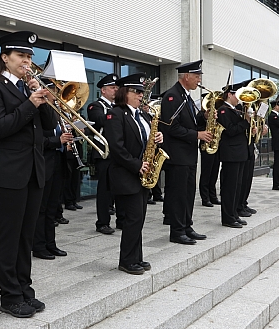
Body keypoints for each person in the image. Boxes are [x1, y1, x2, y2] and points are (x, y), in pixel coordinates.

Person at [0, 31, 57, 318]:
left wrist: (44, 98)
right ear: (5, 58)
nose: (27, 61)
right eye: (21, 56)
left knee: (26, 237)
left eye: (29, 57)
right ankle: (9, 295)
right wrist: (30, 103)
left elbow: (48, 126)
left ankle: (25, 288)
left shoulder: (29, 88)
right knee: (8, 237)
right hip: (7, 174)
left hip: (33, 172)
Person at [104, 73, 163, 274]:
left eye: (141, 92)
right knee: (132, 218)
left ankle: (137, 257)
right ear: (124, 92)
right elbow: (117, 148)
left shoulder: (143, 115)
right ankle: (127, 260)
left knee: (139, 218)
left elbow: (146, 141)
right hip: (127, 173)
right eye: (137, 91)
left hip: (142, 173)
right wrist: (137, 165)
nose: (141, 95)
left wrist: (157, 138)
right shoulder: (115, 113)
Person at [159, 60, 212, 245]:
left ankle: (187, 225)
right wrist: (197, 134)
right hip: (177, 155)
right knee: (178, 194)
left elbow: (187, 121)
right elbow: (172, 128)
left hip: (188, 155)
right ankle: (177, 230)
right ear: (186, 76)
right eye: (197, 76)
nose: (199, 80)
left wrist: (203, 117)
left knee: (189, 192)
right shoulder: (172, 96)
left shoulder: (186, 96)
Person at [32, 79, 73, 260]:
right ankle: (39, 246)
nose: (55, 93)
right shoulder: (40, 110)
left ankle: (51, 243)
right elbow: (37, 139)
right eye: (53, 90)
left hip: (57, 161)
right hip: (44, 162)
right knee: (41, 208)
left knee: (52, 207)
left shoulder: (56, 111)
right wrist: (58, 141)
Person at [216, 82, 253, 228]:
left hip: (239, 153)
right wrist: (246, 122)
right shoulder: (223, 111)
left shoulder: (235, 110)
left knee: (237, 186)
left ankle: (234, 214)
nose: (239, 99)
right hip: (230, 154)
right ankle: (228, 217)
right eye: (237, 96)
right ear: (230, 94)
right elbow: (230, 130)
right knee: (229, 187)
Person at [86, 73, 119, 235]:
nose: (116, 90)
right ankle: (102, 222)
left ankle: (122, 219)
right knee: (105, 190)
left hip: (118, 152)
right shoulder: (95, 106)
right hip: (104, 153)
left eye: (117, 88)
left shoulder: (118, 106)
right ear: (103, 90)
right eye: (113, 88)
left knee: (120, 187)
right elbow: (102, 120)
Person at [196, 95, 221, 208]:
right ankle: (205, 198)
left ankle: (213, 196)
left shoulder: (216, 114)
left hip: (215, 144)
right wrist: (206, 118)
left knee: (214, 172)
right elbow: (198, 126)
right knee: (206, 172)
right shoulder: (200, 114)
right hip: (206, 145)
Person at [268, 100, 279, 190]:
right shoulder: (273, 116)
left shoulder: (277, 116)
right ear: (276, 106)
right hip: (278, 143)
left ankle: (278, 183)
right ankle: (276, 183)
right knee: (278, 164)